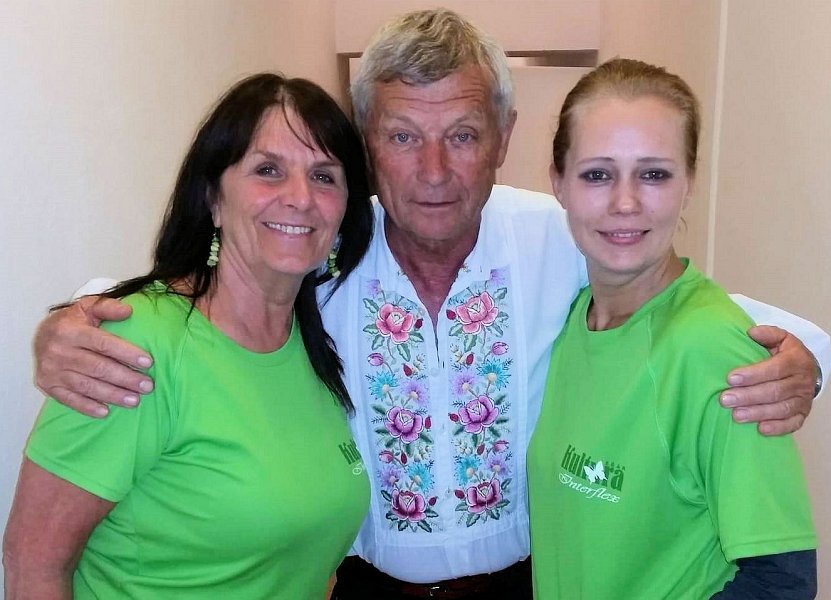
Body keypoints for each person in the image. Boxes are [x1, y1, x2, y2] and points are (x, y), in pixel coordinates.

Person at [27, 9, 829, 599]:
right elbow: (207, 299)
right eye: (404, 136)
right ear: (365, 142)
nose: (435, 171)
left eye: (464, 135)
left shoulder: (559, 237)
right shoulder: (322, 253)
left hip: (527, 585)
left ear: (505, 135)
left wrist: (804, 358)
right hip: (365, 588)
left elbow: (693, 306)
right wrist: (70, 324)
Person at [3, 73, 373, 598]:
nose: (301, 197)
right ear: (213, 199)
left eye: (324, 176)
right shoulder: (135, 346)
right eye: (268, 170)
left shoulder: (315, 341)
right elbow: (33, 564)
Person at [529, 58, 817, 599]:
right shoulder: (574, 318)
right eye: (597, 174)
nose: (625, 202)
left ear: (689, 183)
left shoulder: (713, 352)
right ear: (558, 183)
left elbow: (783, 582)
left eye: (654, 174)